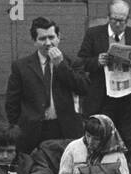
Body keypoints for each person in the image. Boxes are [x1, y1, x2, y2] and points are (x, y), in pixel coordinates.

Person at [5, 17, 87, 153]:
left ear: (59, 37)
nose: (48, 43)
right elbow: (12, 102)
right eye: (42, 39)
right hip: (33, 130)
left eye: (51, 37)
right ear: (34, 41)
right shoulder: (21, 66)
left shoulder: (72, 62)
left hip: (65, 129)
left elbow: (83, 88)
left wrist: (61, 66)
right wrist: (17, 126)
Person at [77, 0, 131, 152]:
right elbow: (81, 61)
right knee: (102, 138)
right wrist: (96, 61)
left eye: (122, 21)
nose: (118, 24)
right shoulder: (94, 34)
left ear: (127, 20)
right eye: (114, 20)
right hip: (103, 98)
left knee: (130, 140)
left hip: (129, 99)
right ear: (108, 17)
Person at [57, 114, 131, 174]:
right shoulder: (73, 148)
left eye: (96, 139)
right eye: (88, 136)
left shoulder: (116, 153)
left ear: (106, 137)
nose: (90, 141)